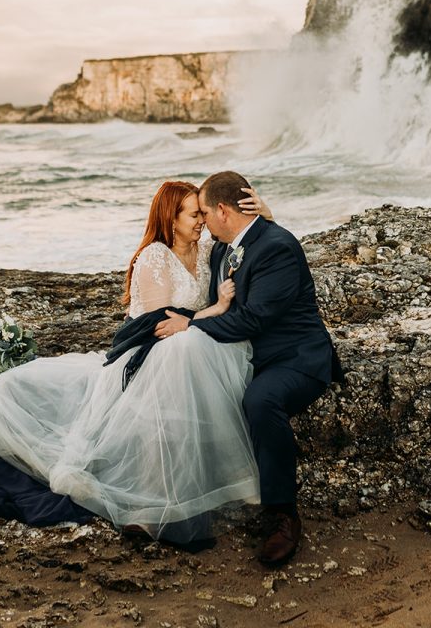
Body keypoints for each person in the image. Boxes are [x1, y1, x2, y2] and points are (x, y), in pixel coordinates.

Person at [0, 180, 273, 545]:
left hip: (186, 347)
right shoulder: (155, 256)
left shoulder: (208, 251)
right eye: (193, 214)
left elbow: (250, 240)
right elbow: (158, 323)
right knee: (158, 387)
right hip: (150, 349)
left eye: (202, 214)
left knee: (199, 357)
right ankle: (147, 505)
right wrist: (217, 309)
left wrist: (265, 214)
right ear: (170, 218)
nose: (202, 221)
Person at [156, 171, 339, 566]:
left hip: (294, 358)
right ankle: (181, 501)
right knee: (186, 381)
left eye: (205, 212)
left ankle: (283, 514)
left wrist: (192, 324)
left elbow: (253, 320)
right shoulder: (224, 248)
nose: (202, 221)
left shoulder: (277, 248)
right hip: (247, 355)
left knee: (260, 399)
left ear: (223, 210)